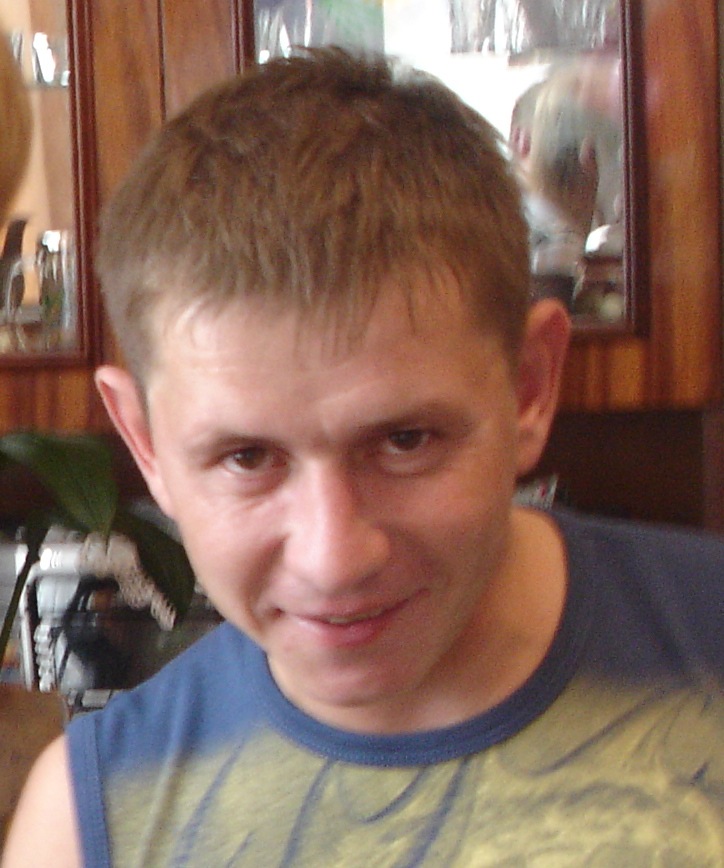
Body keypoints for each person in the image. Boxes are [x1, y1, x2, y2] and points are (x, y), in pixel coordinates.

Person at [4, 48, 723, 866]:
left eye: (405, 441)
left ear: (529, 387)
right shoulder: (87, 825)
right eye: (247, 457)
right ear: (146, 444)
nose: (334, 559)